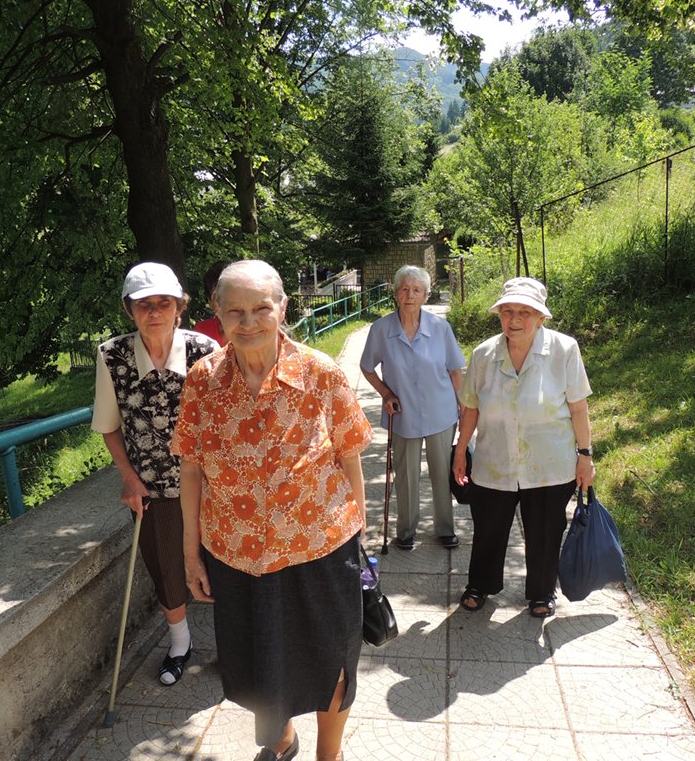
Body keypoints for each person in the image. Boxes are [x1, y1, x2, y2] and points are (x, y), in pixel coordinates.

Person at [172, 259, 372, 761]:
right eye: (235, 311)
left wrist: (358, 538)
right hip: (237, 554)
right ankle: (281, 738)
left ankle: (329, 753)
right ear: (217, 312)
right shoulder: (201, 381)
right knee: (259, 664)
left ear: (283, 308)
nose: (249, 322)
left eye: (261, 308)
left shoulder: (321, 373)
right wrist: (191, 556)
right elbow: (191, 470)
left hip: (320, 548)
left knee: (332, 659)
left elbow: (350, 456)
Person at [91, 262, 219, 685]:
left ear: (179, 306)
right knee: (165, 565)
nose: (154, 312)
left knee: (224, 560)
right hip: (151, 485)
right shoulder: (112, 355)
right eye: (143, 304)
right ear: (129, 310)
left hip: (212, 483)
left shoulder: (206, 351)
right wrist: (128, 477)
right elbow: (109, 425)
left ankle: (235, 643)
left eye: (164, 302)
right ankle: (180, 643)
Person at [451, 277, 595, 618]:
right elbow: (470, 407)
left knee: (546, 530)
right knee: (488, 527)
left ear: (541, 317)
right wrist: (460, 448)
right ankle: (480, 584)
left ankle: (542, 592)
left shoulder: (564, 350)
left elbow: (578, 407)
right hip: (494, 459)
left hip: (549, 463)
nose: (514, 319)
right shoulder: (483, 354)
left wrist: (585, 456)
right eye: (508, 311)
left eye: (525, 312)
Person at [360, 265, 465, 550]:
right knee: (406, 476)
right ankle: (406, 531)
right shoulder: (381, 330)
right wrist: (385, 393)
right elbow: (367, 367)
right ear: (395, 294)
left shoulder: (440, 328)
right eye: (404, 289)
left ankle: (445, 529)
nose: (410, 295)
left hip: (441, 412)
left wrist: (464, 407)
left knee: (442, 473)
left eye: (416, 290)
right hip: (403, 415)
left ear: (426, 295)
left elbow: (455, 371)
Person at [192, 259, 232, 346]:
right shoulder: (201, 332)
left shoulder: (253, 329)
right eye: (218, 297)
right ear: (211, 302)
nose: (225, 302)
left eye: (231, 295)